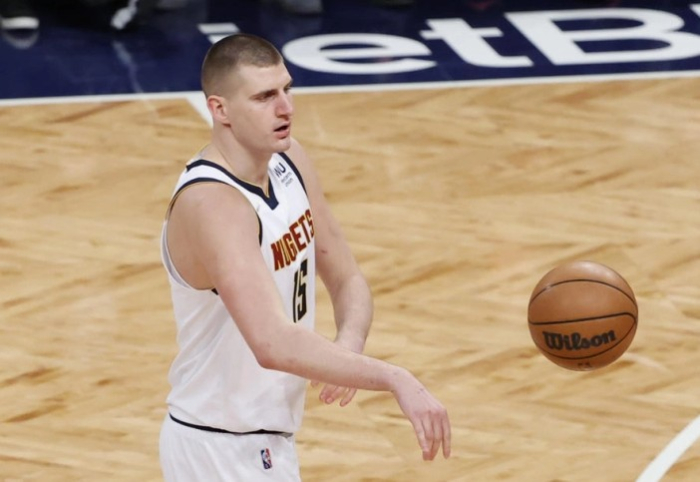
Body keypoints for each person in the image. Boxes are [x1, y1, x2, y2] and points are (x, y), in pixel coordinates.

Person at [158, 33, 451, 481]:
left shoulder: (289, 160)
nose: (285, 108)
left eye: (287, 89)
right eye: (264, 97)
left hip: (265, 441)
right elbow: (272, 343)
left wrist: (348, 344)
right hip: (217, 448)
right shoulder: (214, 204)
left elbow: (348, 278)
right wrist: (394, 378)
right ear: (220, 110)